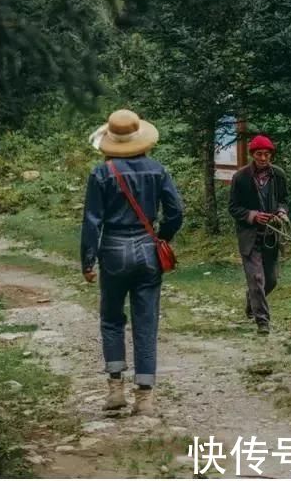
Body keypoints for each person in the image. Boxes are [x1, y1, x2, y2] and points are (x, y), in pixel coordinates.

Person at [81, 109, 183, 415]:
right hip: (147, 250)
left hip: (112, 250)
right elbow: (176, 211)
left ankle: (115, 389)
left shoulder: (101, 174)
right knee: (146, 322)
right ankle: (145, 397)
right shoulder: (158, 170)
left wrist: (88, 261)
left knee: (112, 319)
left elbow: (92, 221)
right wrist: (161, 235)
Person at [228, 135, 288, 334]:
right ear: (252, 155)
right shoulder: (240, 177)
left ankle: (251, 300)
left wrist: (281, 212)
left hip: (271, 234)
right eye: (259, 154)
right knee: (256, 278)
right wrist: (252, 216)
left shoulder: (278, 175)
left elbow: (283, 200)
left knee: (271, 280)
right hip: (249, 235)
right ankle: (263, 322)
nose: (263, 158)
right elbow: (233, 208)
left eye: (267, 154)